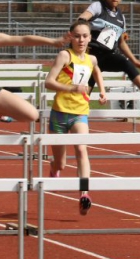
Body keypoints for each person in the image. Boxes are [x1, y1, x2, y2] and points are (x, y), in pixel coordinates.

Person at [45, 18, 108, 215]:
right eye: (77, 36)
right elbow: (48, 82)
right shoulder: (65, 55)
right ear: (71, 37)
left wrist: (103, 91)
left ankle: (84, 193)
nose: (81, 40)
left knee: (82, 149)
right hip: (59, 114)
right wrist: (73, 88)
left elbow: (97, 71)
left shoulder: (92, 59)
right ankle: (54, 169)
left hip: (80, 112)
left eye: (85, 36)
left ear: (90, 38)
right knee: (61, 162)